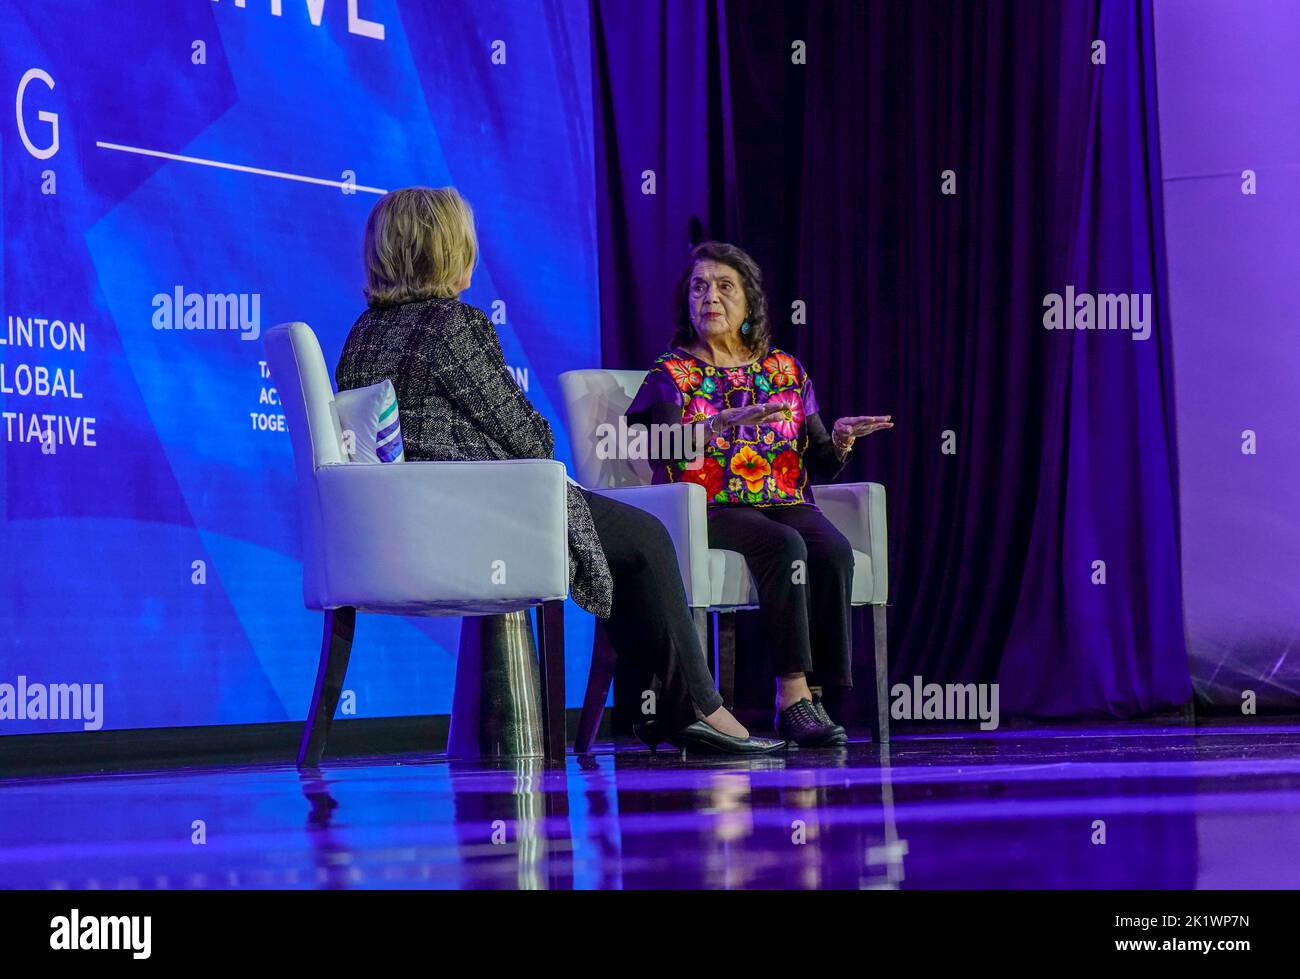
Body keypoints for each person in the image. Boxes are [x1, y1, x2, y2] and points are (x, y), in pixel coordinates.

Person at [334, 187, 782, 755]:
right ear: (446, 249)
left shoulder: (364, 331)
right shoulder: (452, 324)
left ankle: (671, 709)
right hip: (478, 517)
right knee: (646, 537)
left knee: (625, 537)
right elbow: (531, 436)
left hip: (409, 526)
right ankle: (697, 709)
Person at [627, 241, 893, 746]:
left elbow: (815, 459)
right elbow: (655, 448)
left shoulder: (784, 371)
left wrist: (839, 439)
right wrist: (716, 425)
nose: (710, 297)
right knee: (783, 545)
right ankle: (790, 695)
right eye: (700, 286)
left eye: (725, 287)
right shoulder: (670, 376)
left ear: (749, 302)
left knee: (833, 550)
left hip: (785, 500)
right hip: (703, 506)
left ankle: (817, 694)